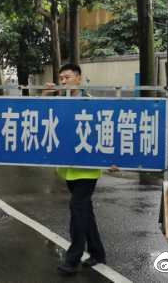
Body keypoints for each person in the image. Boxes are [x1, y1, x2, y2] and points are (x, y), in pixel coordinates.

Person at [44, 63, 110, 275]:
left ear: (79, 79)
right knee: (85, 211)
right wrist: (45, 95)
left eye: (67, 77)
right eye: (61, 78)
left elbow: (104, 132)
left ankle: (73, 258)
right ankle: (98, 253)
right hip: (68, 169)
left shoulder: (89, 103)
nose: (63, 81)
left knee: (77, 208)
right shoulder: (59, 102)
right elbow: (39, 119)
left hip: (87, 169)